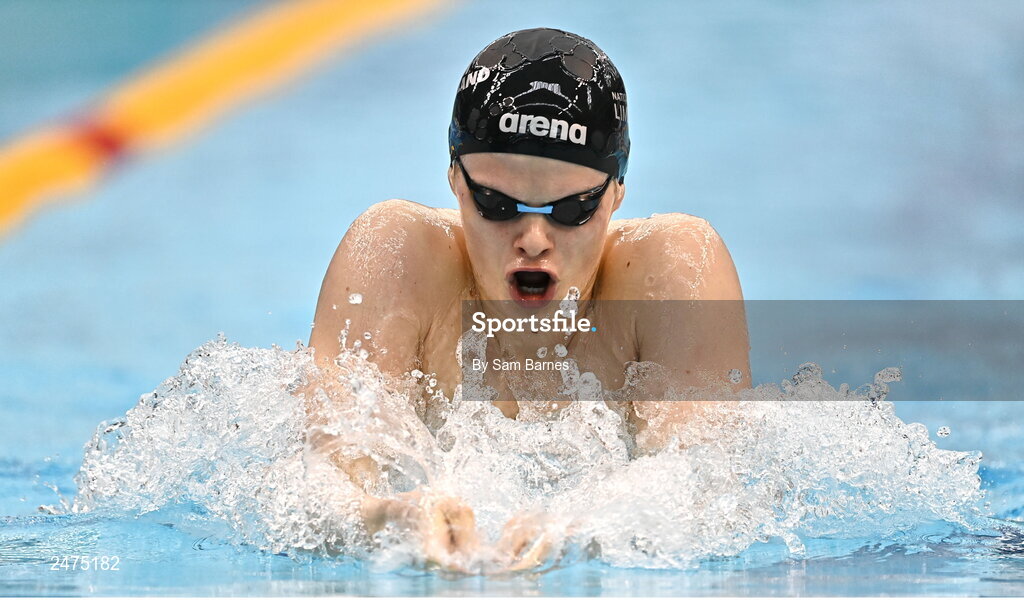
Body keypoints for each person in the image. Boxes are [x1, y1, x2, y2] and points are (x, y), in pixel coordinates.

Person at [305, 27, 749, 570]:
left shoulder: (671, 273)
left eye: (570, 209)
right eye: (496, 202)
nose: (534, 240)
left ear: (617, 191)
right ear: (453, 176)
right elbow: (319, 481)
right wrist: (386, 519)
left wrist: (588, 531)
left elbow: (706, 489)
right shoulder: (398, 259)